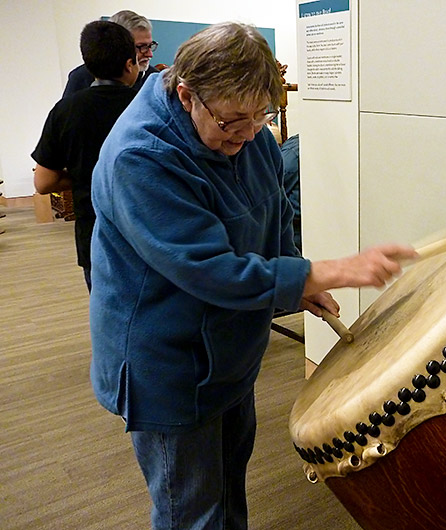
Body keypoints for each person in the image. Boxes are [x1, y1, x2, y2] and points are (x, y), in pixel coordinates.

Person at [89, 22, 417, 530]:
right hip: (169, 366)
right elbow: (208, 268)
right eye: (232, 121)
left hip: (229, 350)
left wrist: (292, 272)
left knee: (226, 486)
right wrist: (321, 271)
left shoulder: (249, 131)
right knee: (191, 510)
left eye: (260, 116)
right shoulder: (141, 157)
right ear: (186, 95)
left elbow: (273, 212)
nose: (245, 134)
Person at [31, 20, 138, 291]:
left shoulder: (65, 111)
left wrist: (83, 176)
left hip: (95, 235)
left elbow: (43, 183)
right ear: (129, 64)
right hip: (147, 230)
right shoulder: (146, 106)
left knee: (107, 314)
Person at [63, 10, 158, 97]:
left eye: (150, 45)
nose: (150, 54)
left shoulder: (156, 80)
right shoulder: (80, 78)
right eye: (142, 47)